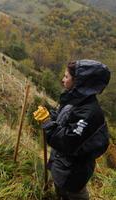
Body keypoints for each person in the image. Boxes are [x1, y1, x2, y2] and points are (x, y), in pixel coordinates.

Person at [33, 60, 110, 200]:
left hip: (72, 176)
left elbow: (68, 141)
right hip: (61, 167)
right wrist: (50, 116)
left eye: (66, 76)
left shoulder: (89, 113)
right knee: (60, 193)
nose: (63, 80)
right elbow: (63, 118)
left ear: (79, 82)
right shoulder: (75, 99)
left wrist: (47, 122)